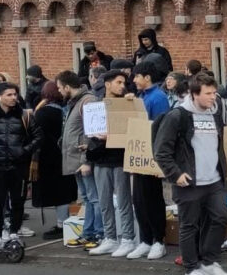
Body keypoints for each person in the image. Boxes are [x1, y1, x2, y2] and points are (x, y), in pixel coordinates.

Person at [153, 73, 227, 275]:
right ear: (194, 94)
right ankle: (191, 269)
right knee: (189, 225)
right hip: (189, 181)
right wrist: (175, 174)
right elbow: (161, 151)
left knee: (220, 217)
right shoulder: (178, 116)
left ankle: (209, 261)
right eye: (208, 94)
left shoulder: (215, 113)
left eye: (214, 93)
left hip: (214, 180)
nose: (213, 97)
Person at [0, 82, 42, 248]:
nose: (13, 98)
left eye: (15, 94)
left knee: (17, 201)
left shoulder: (25, 116)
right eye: (9, 95)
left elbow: (38, 137)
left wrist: (24, 151)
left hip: (18, 166)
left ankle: (13, 232)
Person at [85, 70, 137, 257]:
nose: (122, 86)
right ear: (107, 84)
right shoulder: (96, 104)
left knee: (123, 201)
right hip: (101, 157)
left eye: (123, 82)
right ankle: (110, 237)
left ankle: (128, 238)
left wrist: (112, 135)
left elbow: (134, 128)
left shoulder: (128, 102)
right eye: (118, 82)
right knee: (105, 201)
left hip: (120, 157)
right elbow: (89, 130)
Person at [126, 61, 171, 260]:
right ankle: (145, 239)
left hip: (151, 155)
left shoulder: (158, 98)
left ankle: (158, 240)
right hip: (139, 154)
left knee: (152, 199)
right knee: (139, 199)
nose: (134, 80)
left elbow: (161, 127)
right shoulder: (141, 97)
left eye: (137, 76)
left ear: (147, 77)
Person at [57, 70, 102, 248]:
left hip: (81, 159)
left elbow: (91, 133)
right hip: (75, 159)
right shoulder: (77, 102)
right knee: (87, 198)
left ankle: (98, 234)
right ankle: (88, 233)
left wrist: (86, 160)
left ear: (67, 87)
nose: (59, 91)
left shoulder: (88, 101)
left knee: (94, 198)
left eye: (60, 88)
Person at [29, 81, 74, 241]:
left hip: (48, 158)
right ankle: (64, 222)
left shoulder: (42, 112)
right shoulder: (66, 109)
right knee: (64, 192)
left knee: (57, 193)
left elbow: (36, 136)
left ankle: (62, 224)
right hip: (64, 154)